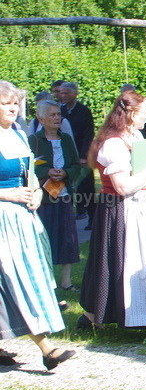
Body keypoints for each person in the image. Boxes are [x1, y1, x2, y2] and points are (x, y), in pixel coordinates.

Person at [79, 90, 146, 336]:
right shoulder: (113, 144)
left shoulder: (136, 136)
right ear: (129, 113)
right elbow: (122, 186)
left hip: (144, 207)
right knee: (126, 264)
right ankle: (113, 315)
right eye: (144, 111)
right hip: (123, 211)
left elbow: (140, 175)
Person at [0, 80, 76, 370]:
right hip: (2, 216)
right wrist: (6, 194)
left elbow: (30, 175)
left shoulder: (19, 135)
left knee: (13, 279)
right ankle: (47, 349)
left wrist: (39, 191)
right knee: (14, 277)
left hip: (21, 217)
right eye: (7, 103)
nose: (13, 108)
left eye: (16, 103)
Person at [28, 99, 87, 292]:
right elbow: (29, 167)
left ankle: (66, 282)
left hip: (64, 196)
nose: (57, 118)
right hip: (43, 198)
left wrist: (66, 173)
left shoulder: (67, 140)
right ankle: (46, 282)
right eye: (52, 115)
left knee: (67, 239)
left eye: (59, 114)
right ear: (41, 118)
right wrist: (46, 172)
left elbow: (77, 166)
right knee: (44, 239)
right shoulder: (34, 140)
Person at [57, 82, 95, 224]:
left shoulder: (83, 111)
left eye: (66, 93)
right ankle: (74, 214)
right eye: (61, 93)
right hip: (67, 154)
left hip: (81, 152)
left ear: (75, 93)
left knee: (87, 186)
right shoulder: (61, 111)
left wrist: (84, 155)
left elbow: (88, 134)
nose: (63, 96)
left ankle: (92, 216)